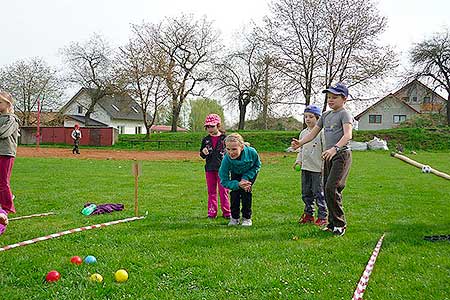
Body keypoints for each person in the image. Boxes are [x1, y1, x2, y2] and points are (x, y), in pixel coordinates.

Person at [291, 83, 353, 236]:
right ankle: (331, 224)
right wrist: (301, 143)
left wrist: (334, 149)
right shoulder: (325, 115)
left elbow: (348, 135)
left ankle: (340, 224)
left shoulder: (345, 114)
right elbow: (313, 133)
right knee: (326, 189)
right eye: (329, 97)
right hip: (328, 156)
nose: (330, 100)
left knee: (332, 188)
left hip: (341, 155)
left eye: (335, 97)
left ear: (344, 98)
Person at [293, 105, 327, 226]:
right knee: (306, 193)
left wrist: (324, 166)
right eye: (305, 117)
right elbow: (301, 149)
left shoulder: (321, 133)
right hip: (305, 168)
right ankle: (308, 214)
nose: (307, 119)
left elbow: (325, 150)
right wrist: (298, 161)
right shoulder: (303, 133)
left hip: (318, 169)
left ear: (317, 118)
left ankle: (323, 216)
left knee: (319, 193)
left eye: (311, 117)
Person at [219, 133, 261, 227]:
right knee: (234, 194)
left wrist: (245, 178)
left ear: (241, 147)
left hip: (250, 173)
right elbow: (224, 180)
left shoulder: (252, 152)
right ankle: (234, 218)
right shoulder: (226, 160)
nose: (230, 152)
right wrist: (237, 184)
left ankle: (247, 218)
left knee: (246, 192)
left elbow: (257, 165)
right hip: (236, 173)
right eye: (228, 149)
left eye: (234, 149)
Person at [199, 114, 231, 219]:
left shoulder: (225, 138)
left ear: (218, 125)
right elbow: (202, 154)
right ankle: (212, 213)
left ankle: (227, 212)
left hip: (223, 169)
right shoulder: (206, 139)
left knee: (224, 191)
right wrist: (203, 153)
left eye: (212, 126)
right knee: (211, 192)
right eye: (207, 126)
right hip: (209, 169)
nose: (209, 128)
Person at [0, 91, 20, 235]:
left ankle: (7, 207)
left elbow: (3, 133)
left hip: (6, 153)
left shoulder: (12, 119)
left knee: (3, 182)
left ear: (8, 104)